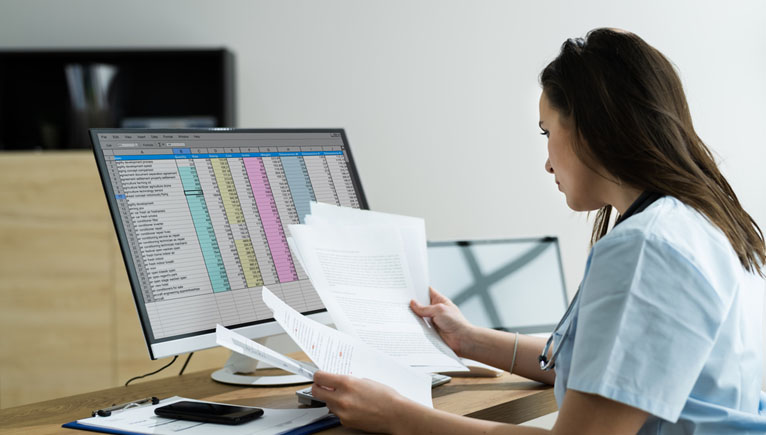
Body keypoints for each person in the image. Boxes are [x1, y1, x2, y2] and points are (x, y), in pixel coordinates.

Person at [311, 28, 766, 434]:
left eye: (547, 131)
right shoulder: (697, 221)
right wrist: (468, 340)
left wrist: (400, 417)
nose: (547, 161)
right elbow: (612, 374)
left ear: (590, 129)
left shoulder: (647, 248)